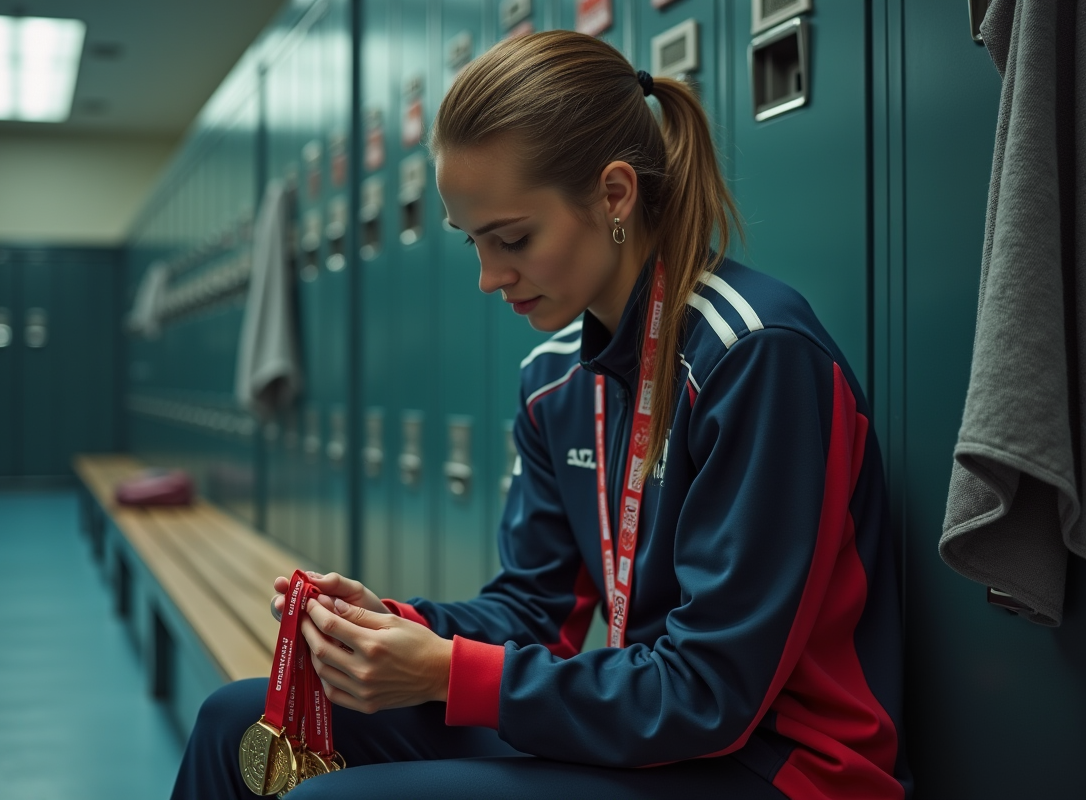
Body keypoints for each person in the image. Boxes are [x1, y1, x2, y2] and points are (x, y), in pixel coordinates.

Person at [170, 30, 911, 800]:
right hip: (646, 730)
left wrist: (448, 674)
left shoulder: (755, 356)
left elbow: (708, 695)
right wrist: (391, 626)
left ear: (615, 194)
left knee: (331, 797)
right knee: (237, 720)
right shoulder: (554, 380)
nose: (491, 278)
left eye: (513, 238)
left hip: (773, 765)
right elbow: (534, 612)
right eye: (474, 244)